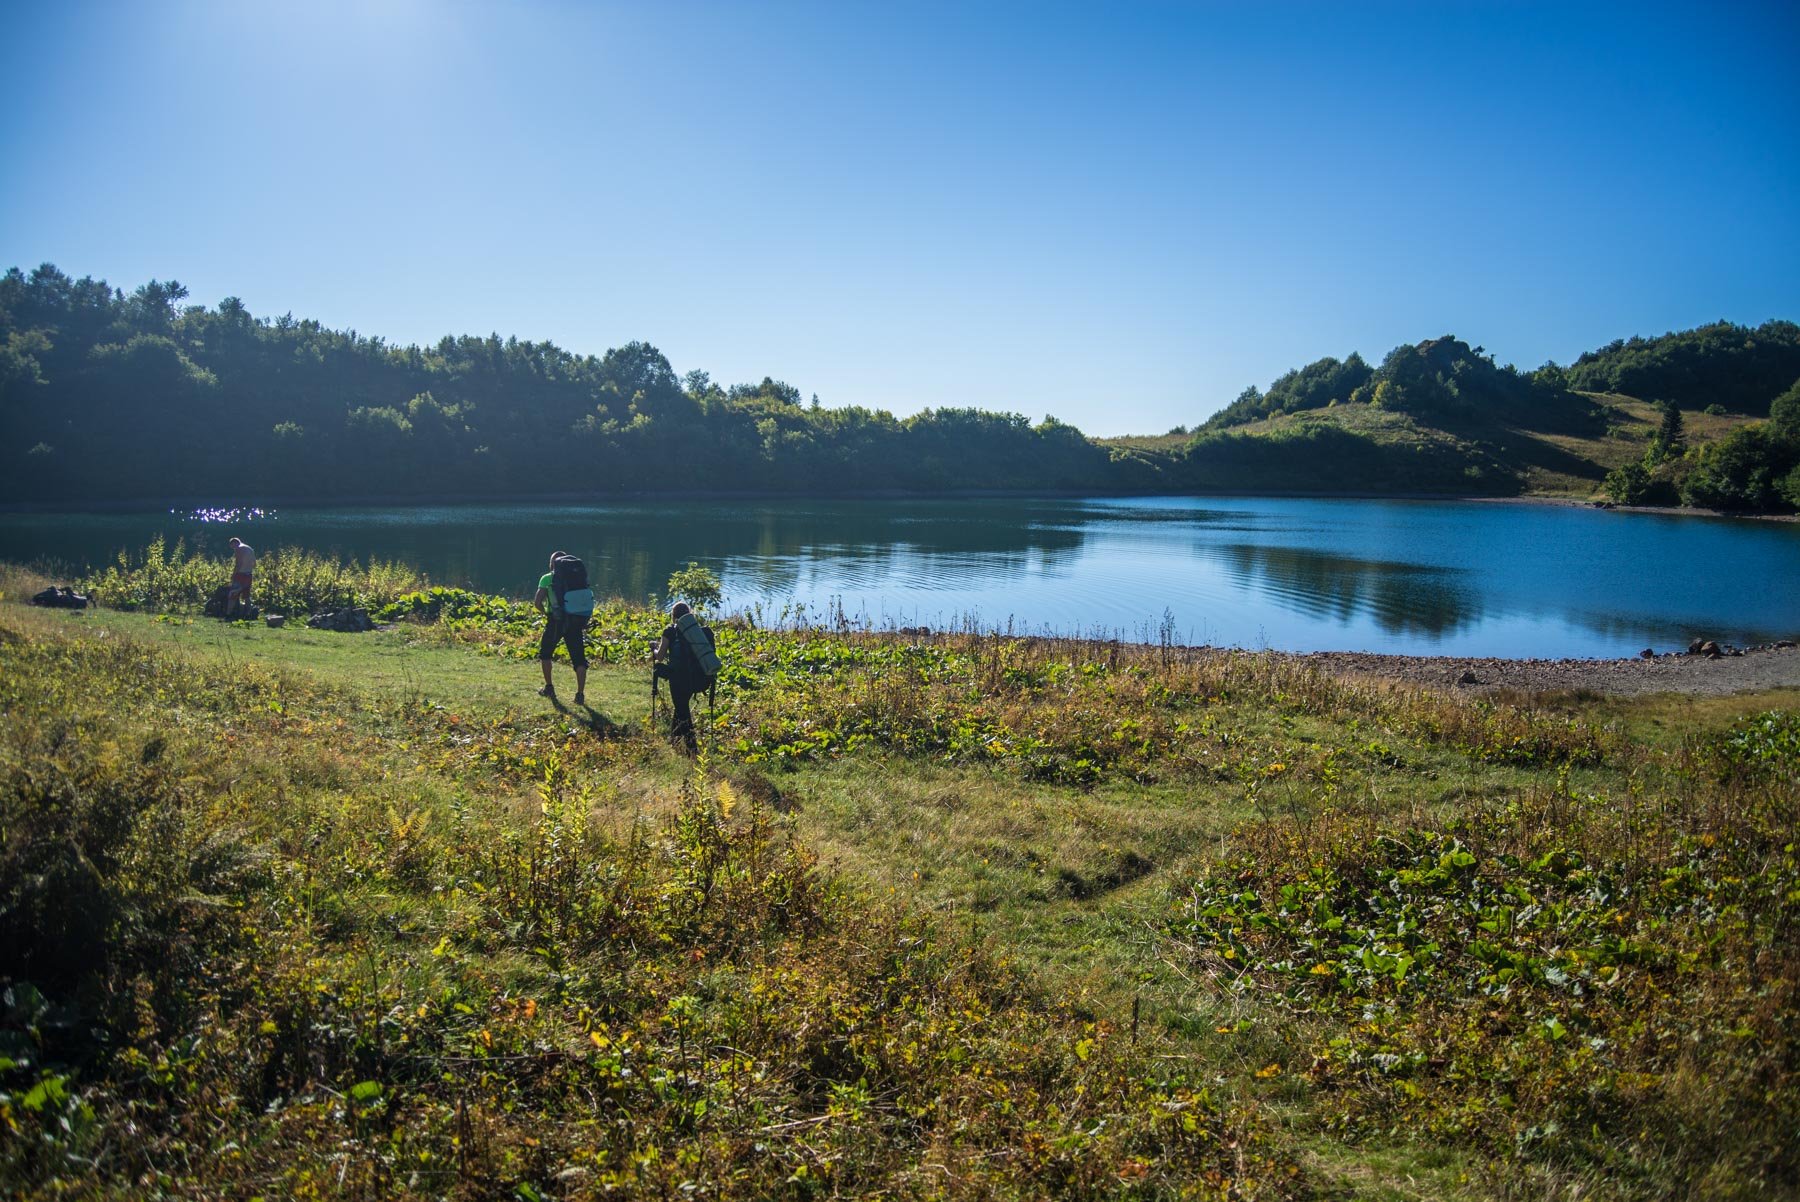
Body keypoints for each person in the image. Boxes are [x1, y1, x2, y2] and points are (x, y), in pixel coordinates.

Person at [653, 601, 717, 754]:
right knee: (680, 707)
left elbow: (660, 657)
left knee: (683, 713)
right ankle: (674, 742)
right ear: (689, 614)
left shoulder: (670, 632)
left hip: (678, 679)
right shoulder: (702, 633)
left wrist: (654, 648)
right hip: (698, 679)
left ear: (673, 617)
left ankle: (692, 750)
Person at [534, 551, 595, 705]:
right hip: (575, 621)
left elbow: (537, 602)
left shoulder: (547, 578)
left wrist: (547, 612)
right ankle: (580, 695)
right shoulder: (577, 578)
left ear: (552, 564)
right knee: (579, 659)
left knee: (546, 654)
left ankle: (549, 687)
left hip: (555, 621)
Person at [226, 537, 255, 616]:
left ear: (234, 543)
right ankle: (248, 613)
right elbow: (254, 564)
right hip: (249, 574)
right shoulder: (250, 549)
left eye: (232, 546)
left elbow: (238, 563)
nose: (233, 548)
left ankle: (228, 613)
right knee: (246, 595)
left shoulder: (239, 548)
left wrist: (234, 574)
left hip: (240, 574)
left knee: (233, 594)